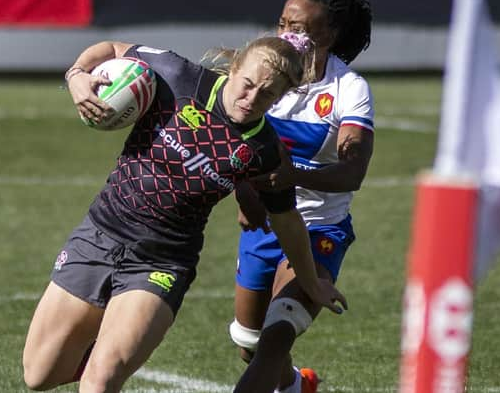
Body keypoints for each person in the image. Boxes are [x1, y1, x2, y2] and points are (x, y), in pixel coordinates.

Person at [21, 36, 347, 393]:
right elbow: (113, 49)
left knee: (99, 380)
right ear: (234, 68)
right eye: (248, 85)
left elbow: (286, 219)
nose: (251, 100)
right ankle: (107, 343)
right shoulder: (179, 78)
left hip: (161, 262)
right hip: (98, 235)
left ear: (280, 98)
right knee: (38, 376)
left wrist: (311, 281)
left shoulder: (264, 150)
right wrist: (78, 75)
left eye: (267, 95)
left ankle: (112, 352)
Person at [226, 0, 374, 393]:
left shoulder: (349, 90)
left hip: (317, 230)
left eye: (303, 28)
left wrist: (293, 177)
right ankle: (296, 386)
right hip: (263, 227)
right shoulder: (261, 75)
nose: (289, 36)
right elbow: (231, 136)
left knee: (276, 337)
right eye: (283, 23)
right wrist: (245, 191)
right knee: (249, 343)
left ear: (331, 34)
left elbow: (352, 173)